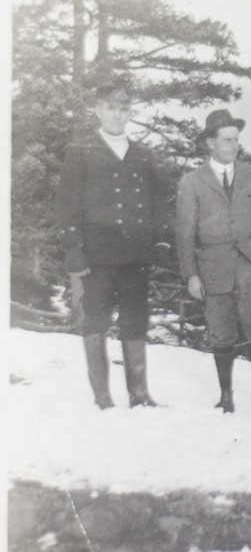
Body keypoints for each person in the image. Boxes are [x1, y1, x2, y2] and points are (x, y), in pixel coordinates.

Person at [56, 82, 171, 409]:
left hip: (135, 254)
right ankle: (103, 398)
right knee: (96, 321)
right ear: (97, 109)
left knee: (136, 320)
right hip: (97, 255)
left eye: (124, 109)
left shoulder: (143, 155)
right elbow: (66, 204)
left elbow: (158, 201)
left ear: (130, 113)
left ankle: (139, 395)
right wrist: (73, 249)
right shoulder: (81, 152)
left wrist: (160, 241)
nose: (118, 115)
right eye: (111, 108)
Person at [176, 108, 251, 415]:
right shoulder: (192, 181)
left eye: (236, 139)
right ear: (210, 143)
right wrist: (192, 275)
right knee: (222, 333)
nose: (233, 145)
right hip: (213, 268)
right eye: (226, 140)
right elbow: (185, 232)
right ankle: (226, 397)